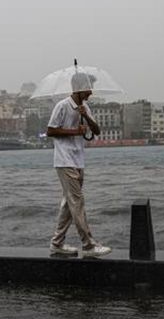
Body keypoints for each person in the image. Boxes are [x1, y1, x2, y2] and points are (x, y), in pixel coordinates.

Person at [46, 72, 112, 258]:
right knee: (77, 202)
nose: (91, 91)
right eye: (90, 87)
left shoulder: (85, 107)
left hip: (78, 160)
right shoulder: (63, 106)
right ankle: (89, 244)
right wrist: (75, 130)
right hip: (65, 160)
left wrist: (87, 117)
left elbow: (96, 130)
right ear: (80, 87)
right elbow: (50, 130)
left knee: (69, 203)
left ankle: (57, 243)